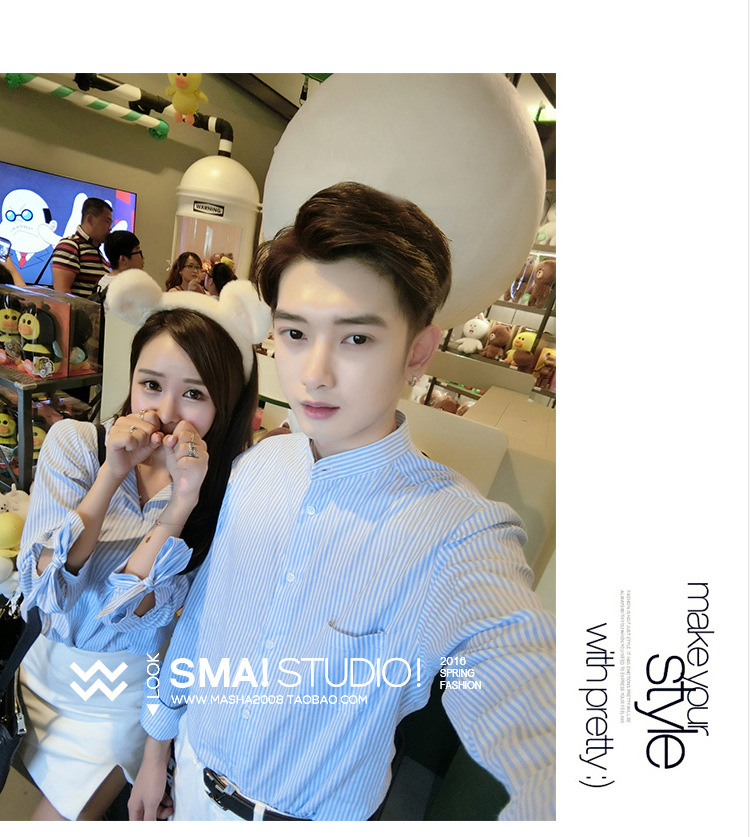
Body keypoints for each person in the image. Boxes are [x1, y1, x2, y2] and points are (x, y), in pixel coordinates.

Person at [128, 182, 556, 822]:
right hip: (191, 780)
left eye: (356, 338)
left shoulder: (459, 534)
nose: (314, 373)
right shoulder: (255, 469)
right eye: (295, 333)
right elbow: (202, 627)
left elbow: (530, 699)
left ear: (417, 350)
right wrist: (156, 746)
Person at [15, 270, 268, 821]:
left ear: (225, 406)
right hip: (38, 669)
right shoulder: (75, 444)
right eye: (150, 384)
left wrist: (181, 502)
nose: (166, 411)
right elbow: (45, 588)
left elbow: (148, 626)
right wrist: (111, 474)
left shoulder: (224, 496)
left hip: (122, 699)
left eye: (194, 394)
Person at [52, 197, 112, 298]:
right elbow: (62, 295)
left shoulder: (96, 250)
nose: (110, 228)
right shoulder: (70, 246)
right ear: (90, 219)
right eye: (107, 222)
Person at [99, 231, 145, 295]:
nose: (142, 258)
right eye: (138, 252)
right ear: (123, 259)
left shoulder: (102, 282)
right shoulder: (129, 288)